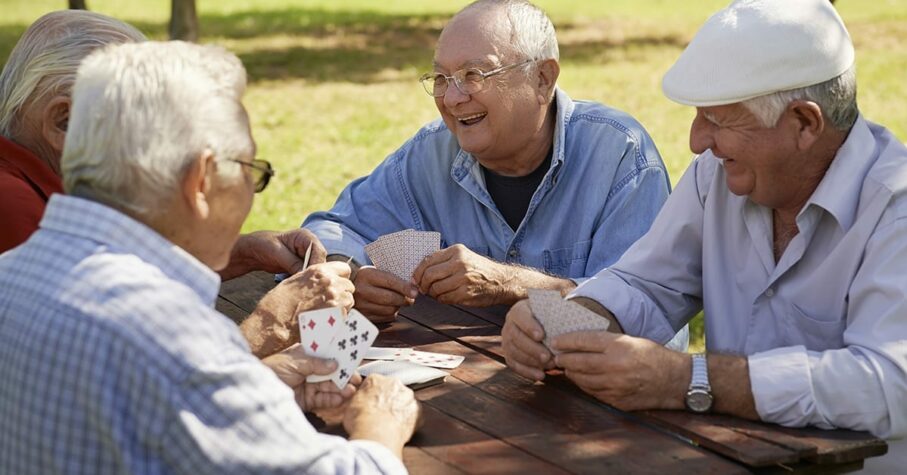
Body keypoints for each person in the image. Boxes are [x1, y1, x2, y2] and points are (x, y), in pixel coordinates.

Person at [501, 0, 905, 472]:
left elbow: (890, 383)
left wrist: (689, 379)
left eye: (719, 120)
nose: (696, 140)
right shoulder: (716, 175)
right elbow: (647, 283)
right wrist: (564, 321)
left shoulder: (894, 206)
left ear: (804, 123)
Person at [0, 41, 418, 473]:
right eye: (250, 172)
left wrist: (258, 386)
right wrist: (380, 424)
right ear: (200, 180)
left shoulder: (12, 272)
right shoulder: (171, 332)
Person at [303, 0, 686, 346]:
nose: (452, 99)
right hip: (464, 394)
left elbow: (642, 320)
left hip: (587, 407)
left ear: (543, 79)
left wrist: (511, 285)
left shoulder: (619, 154)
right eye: (440, 79)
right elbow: (332, 229)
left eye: (474, 74)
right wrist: (352, 275)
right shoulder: (432, 153)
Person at [0, 10, 326, 284]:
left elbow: (126, 270)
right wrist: (273, 324)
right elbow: (117, 332)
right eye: (142, 117)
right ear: (63, 122)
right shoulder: (14, 206)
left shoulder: (46, 187)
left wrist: (240, 252)